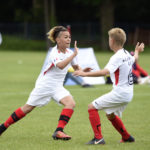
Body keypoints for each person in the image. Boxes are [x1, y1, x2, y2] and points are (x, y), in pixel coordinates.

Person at [0, 26, 89, 140]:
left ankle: (59, 131)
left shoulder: (69, 52)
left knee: (70, 103)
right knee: (27, 108)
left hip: (57, 86)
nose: (69, 39)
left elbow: (76, 67)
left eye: (69, 37)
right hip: (45, 85)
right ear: (58, 40)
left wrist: (82, 70)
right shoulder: (54, 52)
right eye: (66, 37)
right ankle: (3, 127)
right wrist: (73, 55)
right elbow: (61, 66)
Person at [73, 27, 144, 145]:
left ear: (112, 41)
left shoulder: (116, 57)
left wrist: (84, 74)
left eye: (109, 38)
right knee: (110, 114)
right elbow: (135, 58)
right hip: (128, 93)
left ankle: (98, 138)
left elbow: (104, 72)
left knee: (91, 107)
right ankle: (126, 137)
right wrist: (137, 51)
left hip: (120, 93)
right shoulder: (126, 53)